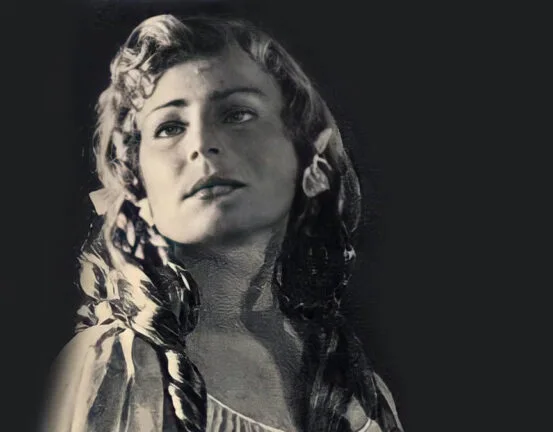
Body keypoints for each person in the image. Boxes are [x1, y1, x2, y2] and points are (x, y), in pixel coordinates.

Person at [40, 14, 403, 432]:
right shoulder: (115, 366)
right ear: (137, 185)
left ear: (309, 157)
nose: (200, 144)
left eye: (236, 114)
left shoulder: (361, 391)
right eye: (169, 127)